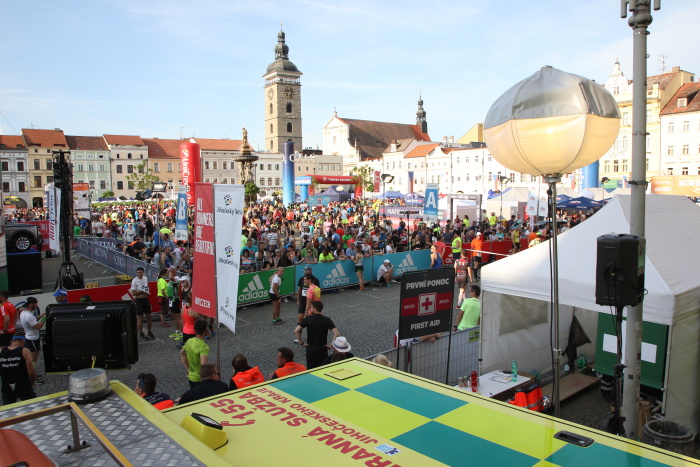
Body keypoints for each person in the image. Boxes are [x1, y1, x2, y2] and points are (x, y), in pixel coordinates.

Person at [294, 301, 340, 370]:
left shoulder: (307, 319)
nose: (310, 309)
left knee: (311, 370)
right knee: (322, 369)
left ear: (315, 309)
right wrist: (331, 345)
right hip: (322, 349)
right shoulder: (327, 320)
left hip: (311, 349)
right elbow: (336, 333)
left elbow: (296, 331)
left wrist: (302, 343)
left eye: (311, 307)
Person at [0, 335, 36, 404]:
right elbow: (31, 372)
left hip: (6, 386)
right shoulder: (25, 351)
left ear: (11, 342)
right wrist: (32, 381)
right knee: (34, 406)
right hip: (23, 385)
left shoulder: (1, 351)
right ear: (22, 342)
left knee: (9, 411)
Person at [179, 319, 209, 388]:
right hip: (200, 378)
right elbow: (204, 364)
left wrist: (187, 369)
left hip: (191, 377)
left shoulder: (190, 341)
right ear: (205, 330)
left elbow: (182, 353)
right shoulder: (203, 346)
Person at [18, 297, 45, 364]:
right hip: (33, 338)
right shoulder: (28, 315)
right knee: (33, 358)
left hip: (29, 337)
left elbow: (32, 321)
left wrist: (40, 317)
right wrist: (44, 319)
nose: (36, 305)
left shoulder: (24, 313)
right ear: (31, 304)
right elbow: (38, 327)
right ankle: (31, 373)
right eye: (36, 304)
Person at [130, 267, 154, 340]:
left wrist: (147, 291)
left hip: (146, 299)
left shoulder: (145, 278)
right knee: (140, 317)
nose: (139, 273)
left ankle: (149, 331)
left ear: (143, 272)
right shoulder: (134, 281)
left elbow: (147, 287)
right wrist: (142, 291)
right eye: (138, 272)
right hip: (139, 300)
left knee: (149, 316)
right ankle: (141, 333)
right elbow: (133, 293)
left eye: (140, 272)